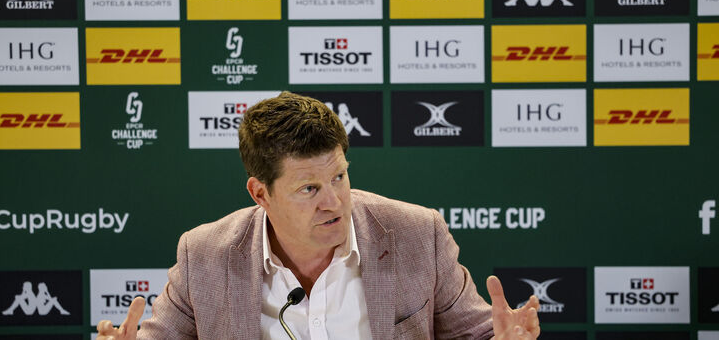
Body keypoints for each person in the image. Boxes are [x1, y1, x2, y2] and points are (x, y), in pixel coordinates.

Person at [97, 92, 540, 339]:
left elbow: (479, 334)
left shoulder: (417, 235)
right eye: (309, 188)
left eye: (339, 177)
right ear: (261, 193)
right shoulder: (204, 257)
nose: (334, 201)